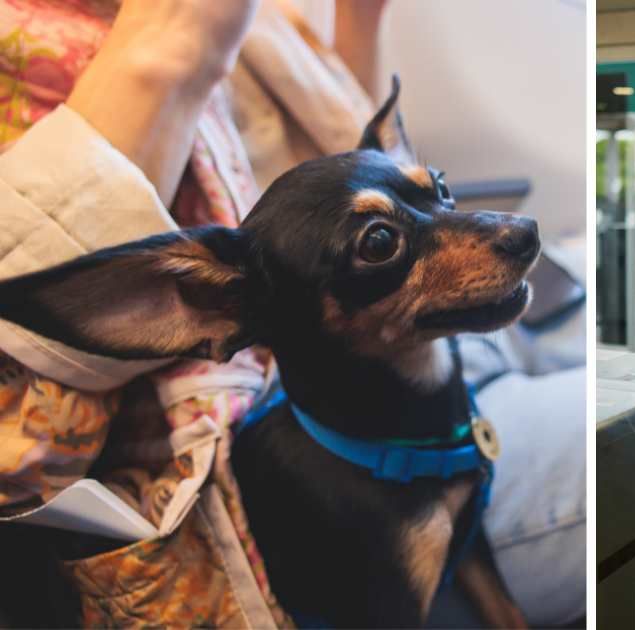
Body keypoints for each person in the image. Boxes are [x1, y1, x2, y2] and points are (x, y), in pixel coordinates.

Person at [0, 1, 583, 626]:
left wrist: (359, 20)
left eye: (436, 187)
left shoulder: (272, 31)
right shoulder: (97, 41)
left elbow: (361, 165)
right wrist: (181, 37)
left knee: (584, 279)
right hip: (346, 440)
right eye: (378, 242)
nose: (512, 232)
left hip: (434, 361)